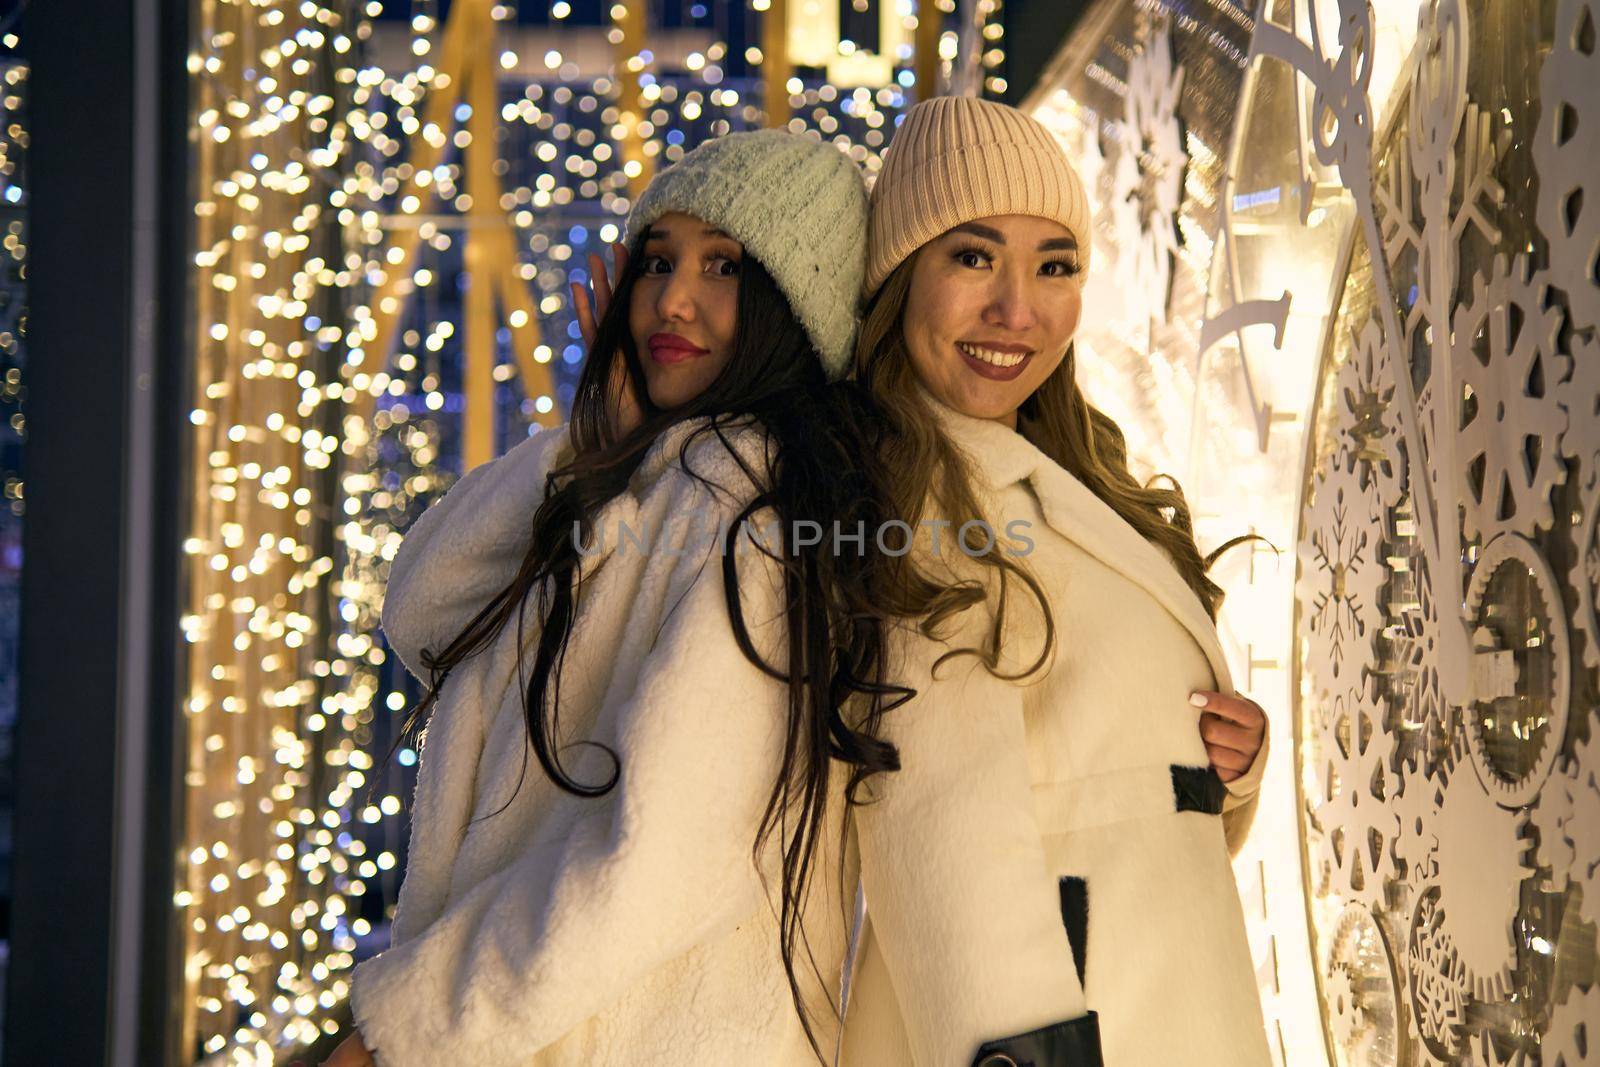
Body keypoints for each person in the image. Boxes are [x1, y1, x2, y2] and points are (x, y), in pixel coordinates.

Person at [326, 129, 906, 1067]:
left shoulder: (755, 513)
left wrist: (403, 1036)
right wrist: (588, 448)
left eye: (724, 265)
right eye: (658, 260)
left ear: (793, 305)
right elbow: (426, 612)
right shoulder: (652, 481)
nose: (672, 299)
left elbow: (656, 858)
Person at [836, 96, 1272, 1066]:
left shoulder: (1071, 473)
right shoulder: (908, 496)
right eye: (973, 255)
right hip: (1050, 1018)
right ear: (901, 275)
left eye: (1055, 265)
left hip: (1160, 978)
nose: (1016, 309)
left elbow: (1096, 763)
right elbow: (939, 828)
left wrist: (1227, 760)